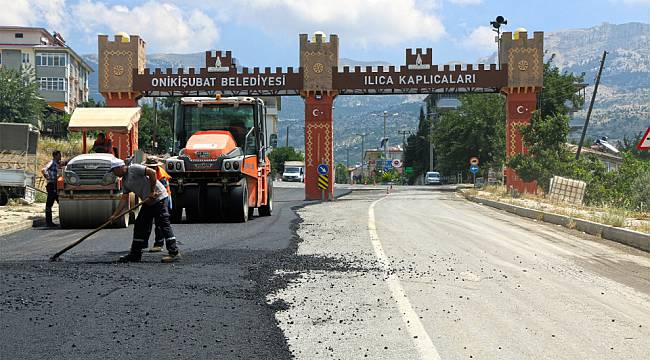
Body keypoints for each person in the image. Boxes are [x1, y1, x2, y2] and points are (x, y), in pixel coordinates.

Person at [108, 159, 180, 263]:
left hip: (158, 197)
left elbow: (152, 173)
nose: (114, 174)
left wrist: (152, 191)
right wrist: (115, 215)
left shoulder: (134, 168)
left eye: (114, 171)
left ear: (119, 168)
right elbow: (124, 199)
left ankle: (174, 252)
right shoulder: (125, 181)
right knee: (140, 224)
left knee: (163, 223)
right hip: (148, 201)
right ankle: (135, 254)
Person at [41, 150, 62, 227]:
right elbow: (43, 170)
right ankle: (49, 222)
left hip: (56, 185)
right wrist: (48, 177)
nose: (60, 156)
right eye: (59, 155)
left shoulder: (58, 164)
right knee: (49, 204)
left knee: (61, 202)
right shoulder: (52, 163)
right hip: (52, 185)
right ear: (55, 155)